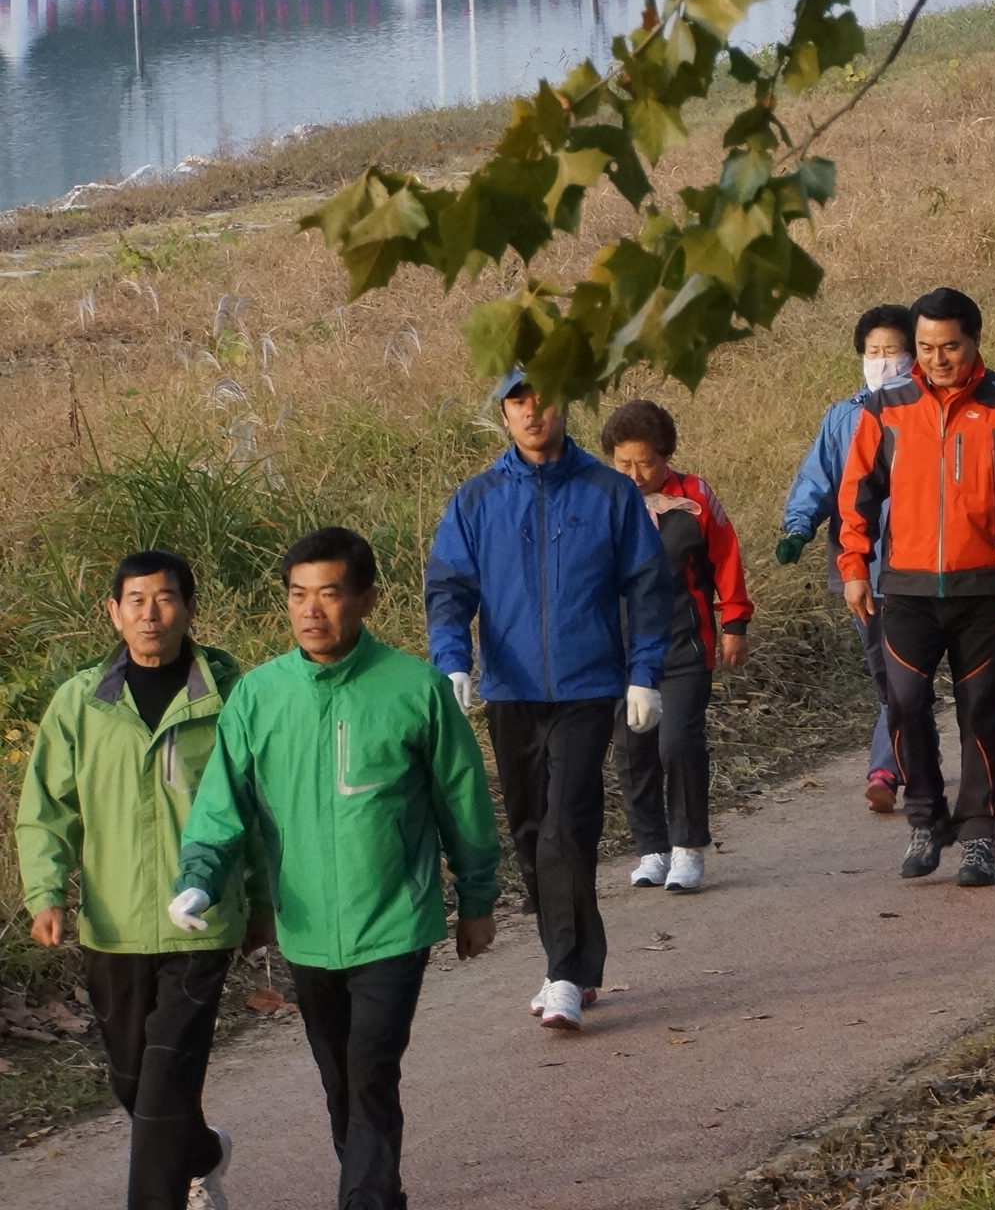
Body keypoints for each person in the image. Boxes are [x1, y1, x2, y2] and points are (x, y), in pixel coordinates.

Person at [175, 528, 500, 1210]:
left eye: (328, 594)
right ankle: (375, 1186)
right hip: (308, 927)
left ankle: (365, 1199)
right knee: (339, 1077)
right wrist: (199, 876)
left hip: (395, 919)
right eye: (298, 595)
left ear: (366, 600)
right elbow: (220, 805)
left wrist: (476, 899)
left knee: (371, 1068)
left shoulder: (414, 689)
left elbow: (462, 802)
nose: (311, 611)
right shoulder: (260, 697)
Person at [17, 550, 260, 1210]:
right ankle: (202, 1153)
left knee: (161, 1083)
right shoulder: (81, 704)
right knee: (131, 1079)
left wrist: (262, 902)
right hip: (114, 921)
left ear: (190, 606)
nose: (151, 614)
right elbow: (47, 807)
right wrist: (46, 892)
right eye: (136, 600)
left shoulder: (229, 696)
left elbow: (259, 806)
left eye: (166, 598)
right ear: (113, 612)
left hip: (201, 919)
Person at [427, 371, 670, 1032]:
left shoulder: (609, 493)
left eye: (543, 396)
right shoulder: (476, 500)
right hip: (511, 691)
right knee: (533, 833)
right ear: (502, 412)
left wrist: (644, 673)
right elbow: (448, 587)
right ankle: (577, 960)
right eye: (517, 401)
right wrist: (452, 662)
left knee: (566, 824)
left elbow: (648, 588)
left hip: (589, 685)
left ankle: (563, 973)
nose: (533, 411)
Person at [839, 287, 995, 888]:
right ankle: (926, 821)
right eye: (927, 348)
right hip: (903, 590)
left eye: (950, 347)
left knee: (980, 714)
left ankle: (979, 836)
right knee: (905, 703)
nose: (937, 359)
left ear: (975, 343)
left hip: (985, 591)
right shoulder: (885, 408)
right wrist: (854, 566)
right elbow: (857, 492)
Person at [777, 302, 920, 814]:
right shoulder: (842, 418)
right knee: (884, 672)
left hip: (915, 566)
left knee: (904, 672)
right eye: (872, 352)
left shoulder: (925, 411)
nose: (882, 361)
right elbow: (818, 480)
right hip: (858, 565)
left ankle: (885, 767)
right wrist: (798, 528)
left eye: (892, 351)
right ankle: (915, 754)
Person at [601, 400, 748, 894]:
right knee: (632, 749)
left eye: (646, 463)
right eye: (624, 464)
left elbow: (726, 556)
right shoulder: (600, 500)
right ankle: (652, 848)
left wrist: (735, 620)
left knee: (678, 743)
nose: (636, 474)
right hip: (619, 651)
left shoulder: (695, 496)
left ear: (665, 456)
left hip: (684, 643)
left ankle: (688, 847)